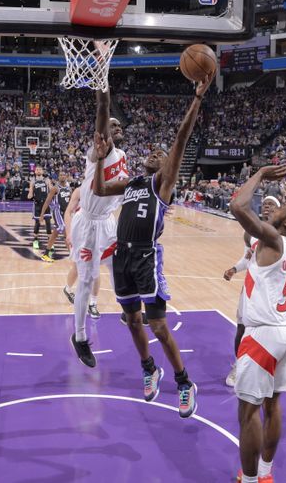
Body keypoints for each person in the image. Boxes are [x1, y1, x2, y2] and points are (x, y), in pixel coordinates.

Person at [92, 73, 213, 418]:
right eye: (154, 151)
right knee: (132, 321)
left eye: (163, 153)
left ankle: (185, 382)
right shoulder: (132, 182)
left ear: (168, 166)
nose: (156, 153)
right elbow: (100, 190)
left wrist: (197, 99)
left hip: (146, 255)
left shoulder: (163, 184)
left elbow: (181, 138)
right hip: (122, 255)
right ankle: (149, 369)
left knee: (157, 325)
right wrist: (100, 159)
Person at [230, 165, 286, 483]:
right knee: (273, 404)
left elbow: (237, 206)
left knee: (248, 413)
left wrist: (261, 173)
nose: (279, 205)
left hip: (263, 336)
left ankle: (250, 480)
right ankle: (264, 473)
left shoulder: (274, 240)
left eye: (285, 206)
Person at [68, 89, 128, 368]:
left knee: (122, 262)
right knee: (86, 280)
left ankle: (127, 306)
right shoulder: (99, 150)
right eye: (112, 125)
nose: (116, 128)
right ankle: (80, 337)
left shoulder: (123, 157)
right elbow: (102, 116)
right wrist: (103, 88)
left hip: (108, 221)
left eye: (119, 125)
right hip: (89, 224)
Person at [224, 195, 286, 388]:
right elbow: (247, 258)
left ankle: (268, 366)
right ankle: (238, 366)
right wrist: (234, 268)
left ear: (279, 210)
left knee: (271, 331)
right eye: (265, 204)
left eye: (272, 205)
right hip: (251, 288)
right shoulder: (250, 233)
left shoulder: (283, 234)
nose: (267, 207)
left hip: (273, 289)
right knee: (242, 328)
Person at [62, 185, 101, 318]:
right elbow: (67, 212)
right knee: (77, 267)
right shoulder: (79, 191)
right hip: (79, 233)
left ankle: (93, 303)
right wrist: (69, 233)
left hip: (97, 233)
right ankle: (68, 288)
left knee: (95, 270)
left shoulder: (105, 190)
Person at [39, 171, 71, 263]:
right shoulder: (55, 188)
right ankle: (72, 255)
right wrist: (42, 214)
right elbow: (47, 201)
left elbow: (71, 202)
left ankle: (46, 254)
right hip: (58, 213)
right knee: (66, 232)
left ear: (66, 176)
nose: (62, 176)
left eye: (64, 174)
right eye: (61, 175)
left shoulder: (69, 188)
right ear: (58, 177)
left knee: (55, 234)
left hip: (66, 214)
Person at [27, 166, 52, 251]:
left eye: (40, 169)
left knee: (48, 222)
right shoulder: (33, 181)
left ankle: (50, 242)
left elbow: (51, 189)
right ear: (34, 171)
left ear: (42, 171)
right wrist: (30, 194)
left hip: (46, 204)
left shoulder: (47, 180)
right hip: (37, 204)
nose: (38, 171)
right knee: (37, 223)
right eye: (37, 169)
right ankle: (35, 241)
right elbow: (30, 191)